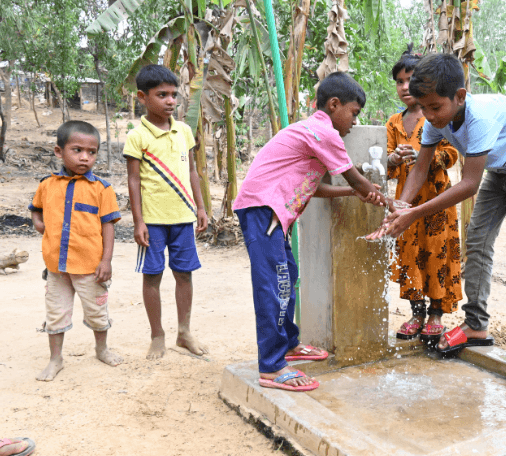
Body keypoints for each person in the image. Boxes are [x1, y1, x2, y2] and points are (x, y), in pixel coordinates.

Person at [367, 54, 506, 385]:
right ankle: (476, 325)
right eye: (424, 108)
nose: (429, 116)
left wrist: (413, 213)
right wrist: (399, 208)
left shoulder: (480, 118)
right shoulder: (435, 121)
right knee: (477, 242)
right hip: (500, 168)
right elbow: (420, 169)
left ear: (460, 96)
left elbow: (468, 185)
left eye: (435, 107)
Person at [233, 71, 392, 392]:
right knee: (273, 286)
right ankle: (271, 367)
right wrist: (381, 198)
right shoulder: (324, 132)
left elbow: (314, 187)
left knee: (287, 276)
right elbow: (354, 176)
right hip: (262, 209)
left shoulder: (310, 131)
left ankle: (288, 344)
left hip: (270, 212)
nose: (355, 122)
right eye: (354, 113)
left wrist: (354, 192)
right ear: (334, 105)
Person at [124, 65, 210, 360]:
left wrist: (200, 207)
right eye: (162, 95)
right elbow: (133, 180)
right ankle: (157, 335)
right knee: (152, 276)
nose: (170, 100)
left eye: (174, 94)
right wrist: (138, 221)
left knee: (184, 274)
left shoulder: (184, 131)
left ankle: (184, 332)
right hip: (153, 222)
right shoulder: (137, 136)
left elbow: (192, 171)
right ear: (142, 97)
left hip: (183, 218)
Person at [29, 120, 124, 381]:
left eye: (92, 152)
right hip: (56, 267)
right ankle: (55, 359)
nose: (85, 157)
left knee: (96, 311)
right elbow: (35, 208)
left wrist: (106, 261)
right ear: (59, 151)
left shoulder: (102, 189)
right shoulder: (47, 185)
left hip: (90, 267)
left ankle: (101, 349)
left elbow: (108, 226)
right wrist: (38, 224)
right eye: (77, 150)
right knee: (55, 313)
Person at [385, 46, 463, 345]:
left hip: (436, 201)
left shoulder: (438, 116)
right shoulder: (394, 122)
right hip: (406, 201)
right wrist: (393, 159)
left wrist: (424, 157)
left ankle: (436, 316)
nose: (405, 87)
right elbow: (388, 163)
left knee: (437, 255)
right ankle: (416, 314)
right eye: (399, 81)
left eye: (410, 80)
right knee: (410, 257)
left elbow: (452, 153)